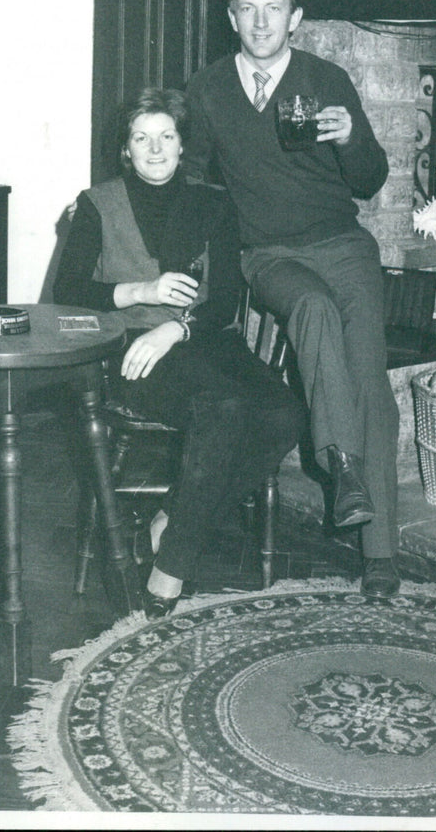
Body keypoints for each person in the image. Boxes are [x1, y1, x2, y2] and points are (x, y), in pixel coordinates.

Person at [184, 0, 401, 600]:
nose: (259, 21)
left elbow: (368, 180)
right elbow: (194, 187)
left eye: (272, 8)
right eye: (247, 9)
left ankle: (380, 557)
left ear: (295, 17)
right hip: (269, 255)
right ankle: (341, 466)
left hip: (342, 244)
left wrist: (348, 137)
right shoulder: (209, 89)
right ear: (231, 17)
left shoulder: (326, 78)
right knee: (311, 310)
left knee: (371, 384)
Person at [53, 86, 306, 619]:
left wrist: (178, 329)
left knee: (286, 412)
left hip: (203, 339)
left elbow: (229, 302)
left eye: (166, 136)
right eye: (141, 137)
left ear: (181, 144)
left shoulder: (213, 202)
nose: (154, 148)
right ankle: (172, 568)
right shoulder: (97, 205)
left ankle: (176, 516)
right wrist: (142, 294)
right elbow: (67, 293)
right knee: (223, 407)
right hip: (131, 350)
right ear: (125, 148)